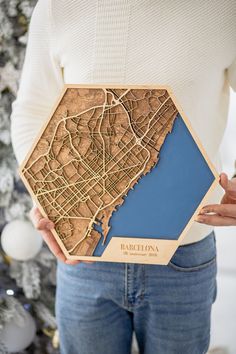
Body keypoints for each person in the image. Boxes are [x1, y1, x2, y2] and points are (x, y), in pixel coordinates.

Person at [10, 1, 236, 353]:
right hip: (85, 248)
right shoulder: (58, 7)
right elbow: (31, 110)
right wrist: (46, 194)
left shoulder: (224, 9)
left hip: (184, 252)